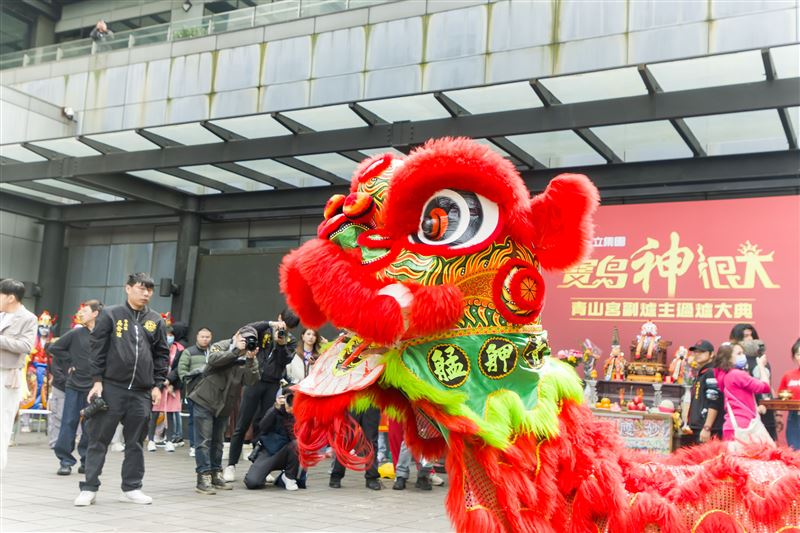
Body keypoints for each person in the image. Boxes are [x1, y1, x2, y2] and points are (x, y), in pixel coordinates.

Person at [74, 273, 169, 507]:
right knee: (99, 439)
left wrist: (157, 384)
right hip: (112, 387)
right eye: (141, 288)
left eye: (150, 289)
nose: (146, 293)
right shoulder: (111, 314)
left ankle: (132, 488)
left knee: (135, 442)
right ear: (128, 288)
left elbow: (162, 355)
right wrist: (97, 380)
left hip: (141, 392)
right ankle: (89, 488)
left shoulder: (156, 320)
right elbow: (97, 347)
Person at [223, 310, 299, 482]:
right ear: (279, 318)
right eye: (283, 323)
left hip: (272, 383)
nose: (284, 329)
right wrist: (270, 324)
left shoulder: (290, 340)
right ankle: (231, 465)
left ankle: (260, 465)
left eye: (288, 327)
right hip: (254, 380)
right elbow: (246, 328)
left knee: (264, 424)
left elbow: (284, 361)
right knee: (242, 424)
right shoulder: (263, 330)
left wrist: (280, 344)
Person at [189, 326, 260, 494]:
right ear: (236, 335)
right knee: (204, 442)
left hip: (224, 406)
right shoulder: (222, 345)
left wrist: (250, 359)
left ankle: (216, 473)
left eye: (250, 339)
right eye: (244, 338)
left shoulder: (249, 356)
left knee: (218, 442)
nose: (246, 342)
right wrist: (236, 351)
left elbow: (251, 381)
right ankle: (203, 477)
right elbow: (213, 359)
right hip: (205, 400)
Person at [50, 300, 102, 475]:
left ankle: (86, 460)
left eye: (85, 311)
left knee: (91, 425)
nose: (81, 314)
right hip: (74, 385)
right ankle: (65, 460)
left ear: (95, 313)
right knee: (69, 422)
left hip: (95, 386)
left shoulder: (104, 336)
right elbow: (54, 348)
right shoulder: (76, 333)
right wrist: (70, 361)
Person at [0, 279, 37, 470]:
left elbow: (26, 346)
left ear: (11, 298)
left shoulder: (28, 318)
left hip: (7, 376)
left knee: (2, 425)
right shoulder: (2, 314)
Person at [243, 388, 301, 491]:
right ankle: (264, 473)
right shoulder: (275, 410)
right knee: (252, 482)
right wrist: (275, 408)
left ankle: (288, 477)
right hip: (270, 451)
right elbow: (262, 427)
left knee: (297, 444)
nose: (291, 402)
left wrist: (294, 414)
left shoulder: (300, 413)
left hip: (288, 452)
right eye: (289, 398)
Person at [713, 343, 771, 442]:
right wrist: (761, 366)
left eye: (743, 353)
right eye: (739, 353)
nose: (743, 356)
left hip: (730, 425)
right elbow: (765, 387)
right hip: (744, 426)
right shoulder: (737, 374)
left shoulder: (724, 376)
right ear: (728, 358)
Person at [146, 323, 185, 453]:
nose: (169, 337)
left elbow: (180, 368)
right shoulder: (154, 348)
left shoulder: (180, 349)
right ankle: (151, 440)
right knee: (155, 412)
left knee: (170, 413)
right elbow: (151, 366)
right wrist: (159, 381)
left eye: (171, 335)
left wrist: (171, 381)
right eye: (166, 335)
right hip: (157, 385)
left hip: (172, 387)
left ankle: (169, 440)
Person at [177, 326, 213, 457]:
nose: (205, 339)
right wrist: (190, 379)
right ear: (197, 337)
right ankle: (193, 445)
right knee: (193, 419)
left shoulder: (214, 351)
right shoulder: (189, 352)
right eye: (202, 337)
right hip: (194, 391)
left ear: (211, 338)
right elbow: (182, 371)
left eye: (207, 337)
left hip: (211, 392)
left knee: (209, 420)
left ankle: (206, 446)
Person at [329, 406, 382, 490]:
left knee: (371, 442)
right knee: (345, 440)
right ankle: (336, 475)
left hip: (372, 401)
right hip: (352, 401)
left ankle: (372, 478)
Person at [685, 340, 723, 443]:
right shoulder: (702, 373)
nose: (697, 354)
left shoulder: (711, 372)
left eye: (701, 352)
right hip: (699, 427)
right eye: (695, 352)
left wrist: (707, 428)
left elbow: (714, 402)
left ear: (711, 354)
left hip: (707, 429)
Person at [741, 338, 777, 440]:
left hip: (759, 410)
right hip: (758, 410)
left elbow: (766, 387)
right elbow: (763, 387)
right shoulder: (758, 363)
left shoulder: (762, 363)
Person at [777, 338, 800, 450]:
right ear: (794, 357)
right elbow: (780, 398)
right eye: (798, 354)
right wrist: (778, 415)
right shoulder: (788, 375)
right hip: (794, 417)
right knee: (795, 450)